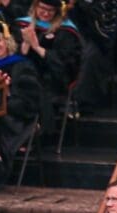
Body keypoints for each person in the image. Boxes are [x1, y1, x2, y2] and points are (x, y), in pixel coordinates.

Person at [0, 21, 40, 186]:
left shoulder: (22, 65)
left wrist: (7, 92)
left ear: (8, 42)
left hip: (14, 119)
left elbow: (29, 102)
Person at [14, 0, 81, 134]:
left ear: (57, 11)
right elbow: (13, 57)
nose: (45, 13)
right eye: (42, 8)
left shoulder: (66, 31)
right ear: (35, 6)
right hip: (23, 76)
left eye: (50, 10)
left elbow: (66, 66)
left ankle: (32, 133)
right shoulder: (21, 24)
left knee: (30, 88)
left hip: (52, 80)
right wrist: (26, 44)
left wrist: (38, 48)